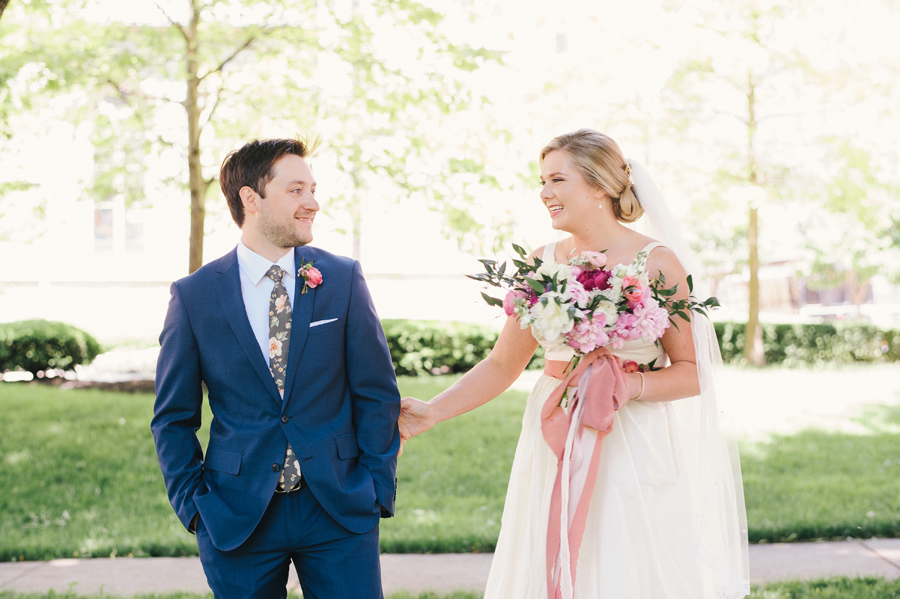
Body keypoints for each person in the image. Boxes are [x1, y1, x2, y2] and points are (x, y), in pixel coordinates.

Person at [399, 129, 749, 598]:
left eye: (557, 180)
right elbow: (503, 364)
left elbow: (692, 372)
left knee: (621, 557)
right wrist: (433, 411)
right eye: (542, 181)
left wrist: (630, 386)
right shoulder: (540, 263)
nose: (544, 193)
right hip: (554, 427)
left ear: (599, 185)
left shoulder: (656, 263)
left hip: (630, 436)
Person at [151, 137, 400, 598]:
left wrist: (376, 486)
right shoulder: (194, 296)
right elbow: (172, 417)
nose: (313, 203)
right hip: (236, 513)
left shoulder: (342, 278)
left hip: (339, 507)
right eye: (296, 191)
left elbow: (377, 392)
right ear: (251, 198)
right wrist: (194, 507)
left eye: (312, 189)